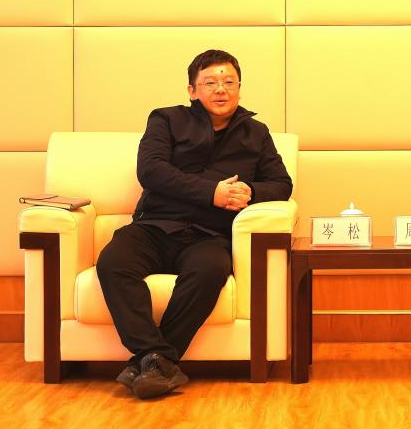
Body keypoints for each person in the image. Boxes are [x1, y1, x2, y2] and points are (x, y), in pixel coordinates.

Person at [96, 49, 293, 399]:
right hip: (155, 226)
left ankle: (152, 361)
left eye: (229, 82)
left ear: (239, 88)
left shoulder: (256, 133)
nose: (221, 89)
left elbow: (281, 184)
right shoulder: (166, 119)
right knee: (113, 262)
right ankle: (156, 358)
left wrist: (251, 191)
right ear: (192, 90)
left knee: (211, 270)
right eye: (210, 82)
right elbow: (151, 170)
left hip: (209, 235)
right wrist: (211, 192)